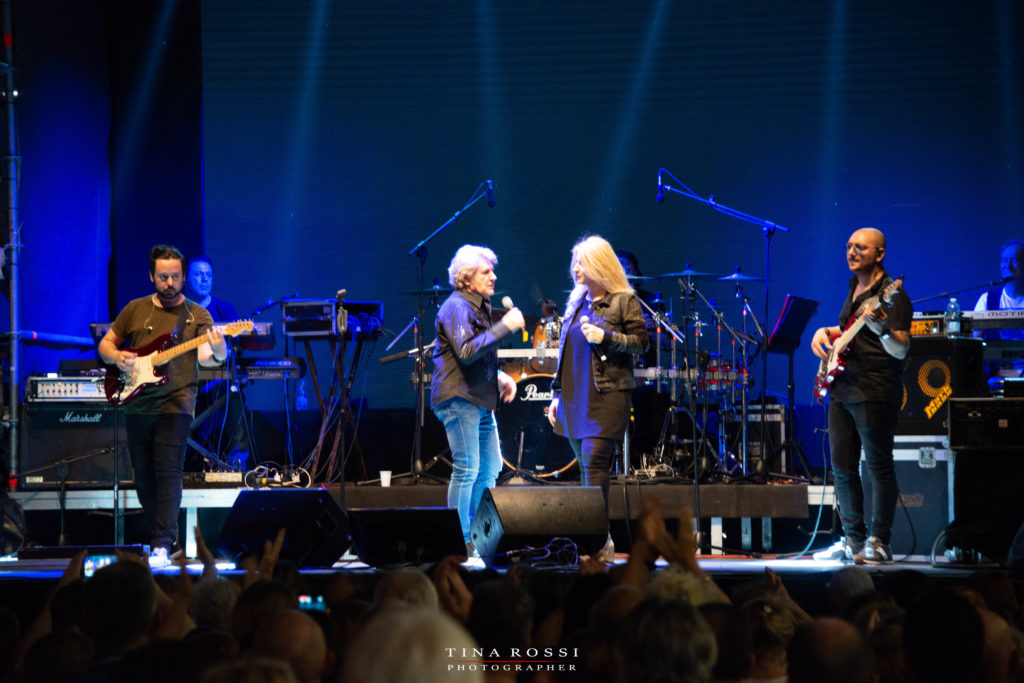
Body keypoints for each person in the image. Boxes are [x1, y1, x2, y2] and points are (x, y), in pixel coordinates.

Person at [98, 245, 228, 562]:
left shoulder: (198, 315)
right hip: (138, 401)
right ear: (152, 276)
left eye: (174, 277)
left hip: (177, 402)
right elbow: (106, 344)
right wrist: (117, 357)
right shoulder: (135, 309)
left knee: (168, 471)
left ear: (183, 278)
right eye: (163, 277)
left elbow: (209, 359)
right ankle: (167, 536)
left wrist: (221, 347)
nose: (169, 283)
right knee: (143, 476)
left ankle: (161, 542)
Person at [810, 228, 911, 564]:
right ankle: (852, 540)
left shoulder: (893, 294)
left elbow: (900, 349)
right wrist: (824, 332)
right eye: (849, 246)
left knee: (879, 467)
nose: (852, 252)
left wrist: (882, 329)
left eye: (861, 248)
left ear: (879, 254)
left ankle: (880, 541)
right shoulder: (856, 287)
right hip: (842, 387)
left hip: (874, 388)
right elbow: (850, 328)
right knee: (842, 467)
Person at [546, 235, 650, 525]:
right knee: (585, 467)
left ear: (600, 265)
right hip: (574, 397)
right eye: (575, 262)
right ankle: (591, 536)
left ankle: (597, 539)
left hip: (606, 395)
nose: (576, 268)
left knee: (594, 463)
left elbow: (643, 343)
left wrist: (608, 337)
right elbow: (564, 353)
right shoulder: (576, 302)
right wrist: (556, 395)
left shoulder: (623, 300)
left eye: (582, 262)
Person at [431, 245, 525, 547]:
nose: (494, 277)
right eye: (486, 272)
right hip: (459, 399)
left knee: (490, 467)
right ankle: (456, 540)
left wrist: (498, 377)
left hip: (479, 399)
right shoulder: (456, 306)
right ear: (466, 279)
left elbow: (470, 353)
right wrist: (504, 327)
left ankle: (475, 535)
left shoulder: (477, 304)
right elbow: (468, 351)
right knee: (468, 467)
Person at [973, 239, 1024, 378]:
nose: (1007, 266)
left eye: (1014, 260)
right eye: (1004, 260)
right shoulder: (987, 299)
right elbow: (972, 345)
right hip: (997, 380)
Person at [184, 255, 239, 322]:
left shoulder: (226, 310)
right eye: (198, 274)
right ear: (184, 278)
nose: (205, 279)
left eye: (209, 275)